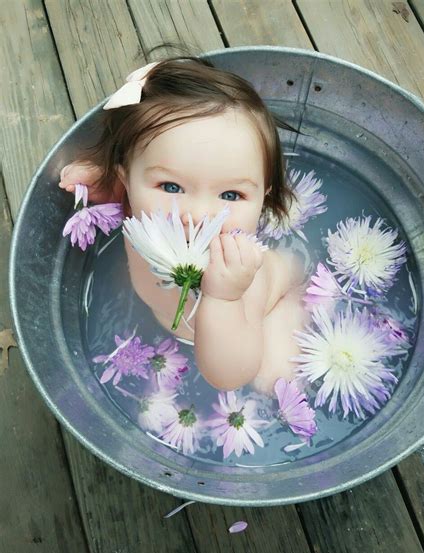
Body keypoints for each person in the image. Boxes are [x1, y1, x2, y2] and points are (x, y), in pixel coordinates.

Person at [59, 52, 312, 395]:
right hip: (167, 313)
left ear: (264, 198)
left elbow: (228, 376)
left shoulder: (240, 280)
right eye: (172, 187)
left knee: (271, 381)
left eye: (231, 195)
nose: (198, 215)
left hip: (275, 301)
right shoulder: (137, 205)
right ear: (127, 181)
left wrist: (223, 298)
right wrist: (100, 182)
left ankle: (293, 314)